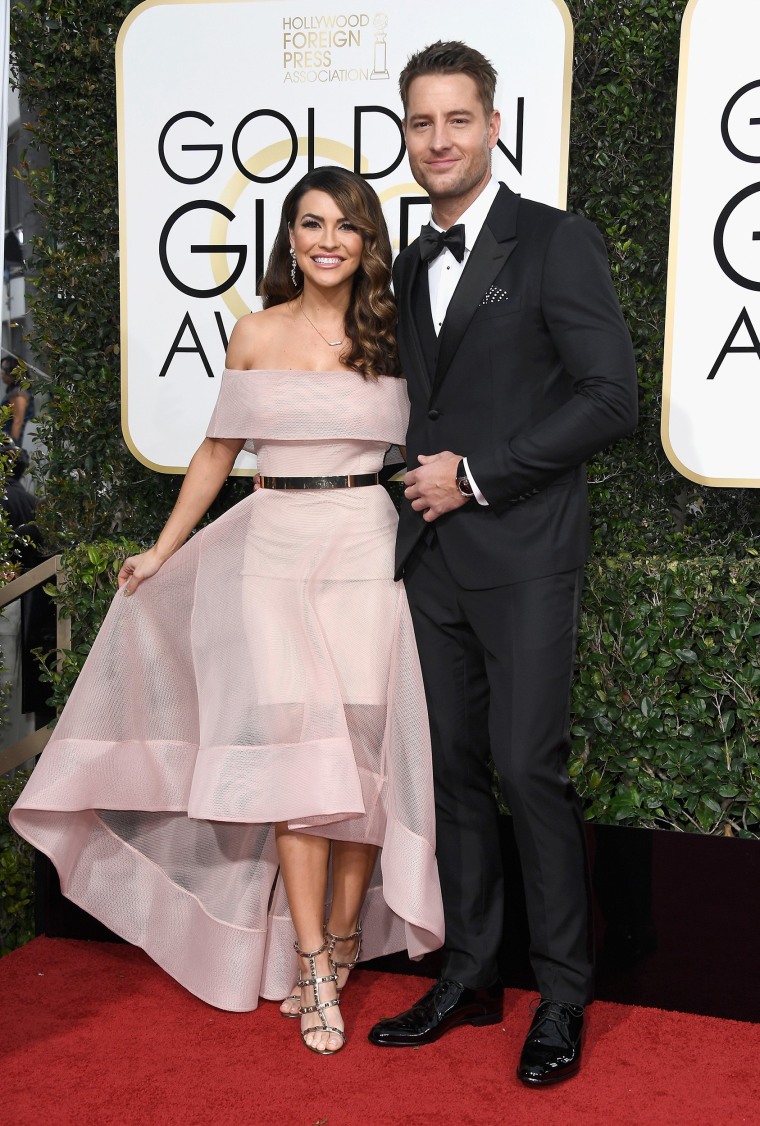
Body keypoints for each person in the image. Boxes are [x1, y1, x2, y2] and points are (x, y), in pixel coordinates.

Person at [10, 166, 444, 1055]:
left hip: (366, 543)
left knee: (361, 762)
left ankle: (350, 934)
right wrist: (164, 549)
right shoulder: (252, 332)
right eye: (310, 223)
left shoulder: (398, 334)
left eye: (346, 226)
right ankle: (313, 960)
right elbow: (216, 450)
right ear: (289, 237)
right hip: (275, 548)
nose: (328, 240)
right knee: (292, 760)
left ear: (368, 241)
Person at [367, 42, 638, 1086]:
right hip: (428, 560)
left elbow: (608, 397)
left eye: (457, 120)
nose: (439, 140)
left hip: (522, 553)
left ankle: (562, 993)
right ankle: (473, 972)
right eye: (421, 124)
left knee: (528, 770)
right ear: (406, 134)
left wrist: (476, 476)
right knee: (452, 778)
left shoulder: (554, 241)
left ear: (491, 125)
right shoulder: (404, 258)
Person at [1, 356, 33, 446]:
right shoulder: (14, 392)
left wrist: (12, 447)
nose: (2, 375)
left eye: (5, 372)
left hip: (11, 442)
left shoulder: (19, 394)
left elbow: (18, 421)